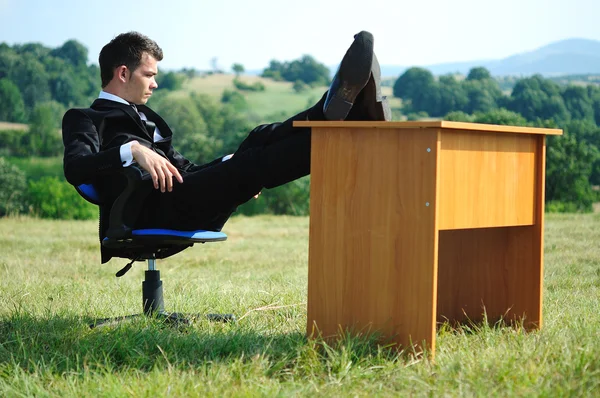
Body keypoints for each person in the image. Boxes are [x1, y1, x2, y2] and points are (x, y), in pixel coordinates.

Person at [62, 31, 389, 263]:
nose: (155, 83)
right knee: (250, 166)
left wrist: (228, 162)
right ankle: (340, 129)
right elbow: (75, 168)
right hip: (148, 212)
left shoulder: (148, 118)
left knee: (257, 139)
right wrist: (132, 149)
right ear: (123, 73)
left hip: (182, 195)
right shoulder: (85, 118)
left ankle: (333, 112)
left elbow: (185, 169)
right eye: (149, 74)